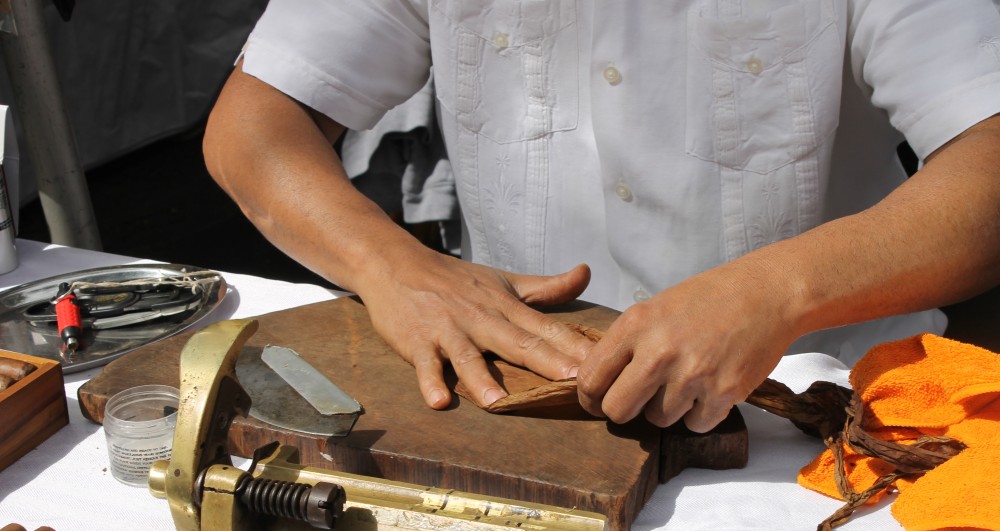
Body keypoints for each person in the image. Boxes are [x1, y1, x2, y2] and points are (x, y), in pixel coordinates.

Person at [203, 1, 1000, 433]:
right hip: (523, 412)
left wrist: (778, 291)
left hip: (816, 413)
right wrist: (393, 268)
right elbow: (255, 124)